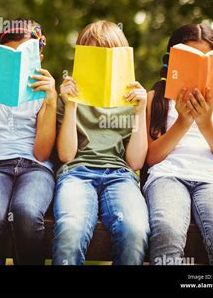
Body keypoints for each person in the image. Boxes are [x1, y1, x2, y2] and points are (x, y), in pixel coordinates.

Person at [52, 20, 150, 265]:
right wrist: (72, 105)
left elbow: (135, 161)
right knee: (70, 229)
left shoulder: (131, 99)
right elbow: (66, 155)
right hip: (76, 173)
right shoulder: (68, 96)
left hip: (120, 175)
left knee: (135, 230)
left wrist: (140, 112)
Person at [145, 23, 213, 265]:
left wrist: (205, 123)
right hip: (167, 176)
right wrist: (183, 121)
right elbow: (151, 158)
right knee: (167, 229)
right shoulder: (155, 98)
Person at [0, 18, 57, 264]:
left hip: (35, 168)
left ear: (39, 56)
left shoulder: (44, 93)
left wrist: (51, 102)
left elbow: (41, 153)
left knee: (26, 212)